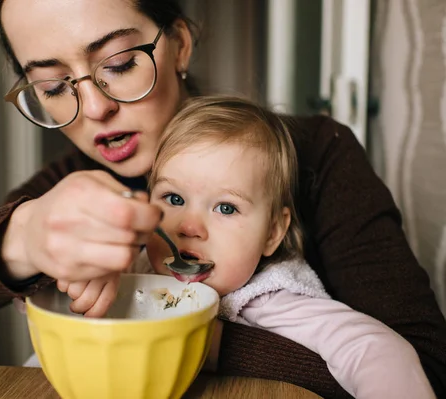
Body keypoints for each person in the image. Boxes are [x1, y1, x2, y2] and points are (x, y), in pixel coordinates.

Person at [0, 1, 444, 397]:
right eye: (53, 86)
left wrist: (186, 341)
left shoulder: (311, 154)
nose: (97, 107)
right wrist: (17, 239)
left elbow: (421, 368)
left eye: (122, 63)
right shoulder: (60, 195)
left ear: (179, 44)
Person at [142, 96, 435, 398]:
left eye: (226, 208)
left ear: (272, 233)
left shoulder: (269, 297)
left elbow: (377, 352)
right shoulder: (132, 267)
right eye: (174, 199)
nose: (189, 227)